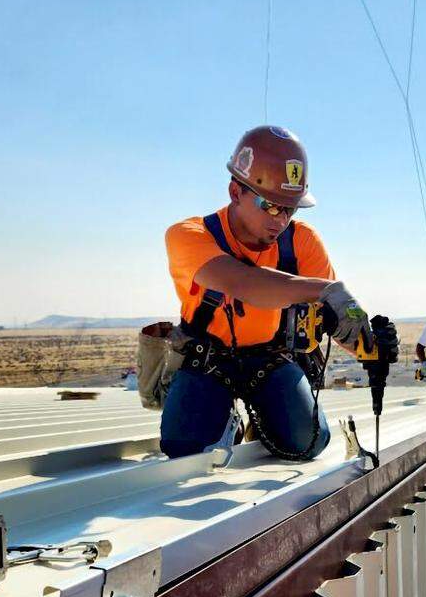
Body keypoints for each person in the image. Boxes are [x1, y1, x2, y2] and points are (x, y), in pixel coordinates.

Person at [161, 125, 395, 460]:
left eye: (291, 209)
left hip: (268, 358)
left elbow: (335, 317)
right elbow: (245, 283)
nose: (281, 219)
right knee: (184, 451)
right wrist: (325, 290)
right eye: (270, 206)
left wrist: (369, 345)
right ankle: (228, 422)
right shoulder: (189, 235)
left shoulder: (303, 242)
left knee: (309, 441)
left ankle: (266, 421)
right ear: (235, 191)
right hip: (207, 359)